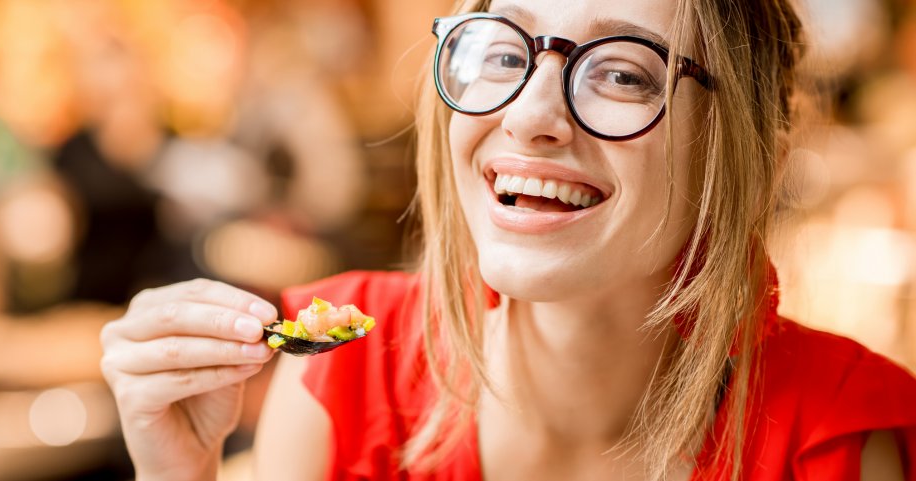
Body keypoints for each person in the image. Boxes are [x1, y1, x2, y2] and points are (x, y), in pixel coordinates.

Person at [99, 0, 916, 479]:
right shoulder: (348, 374)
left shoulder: (833, 439)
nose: (527, 114)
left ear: (747, 151)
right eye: (502, 53)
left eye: (623, 72)